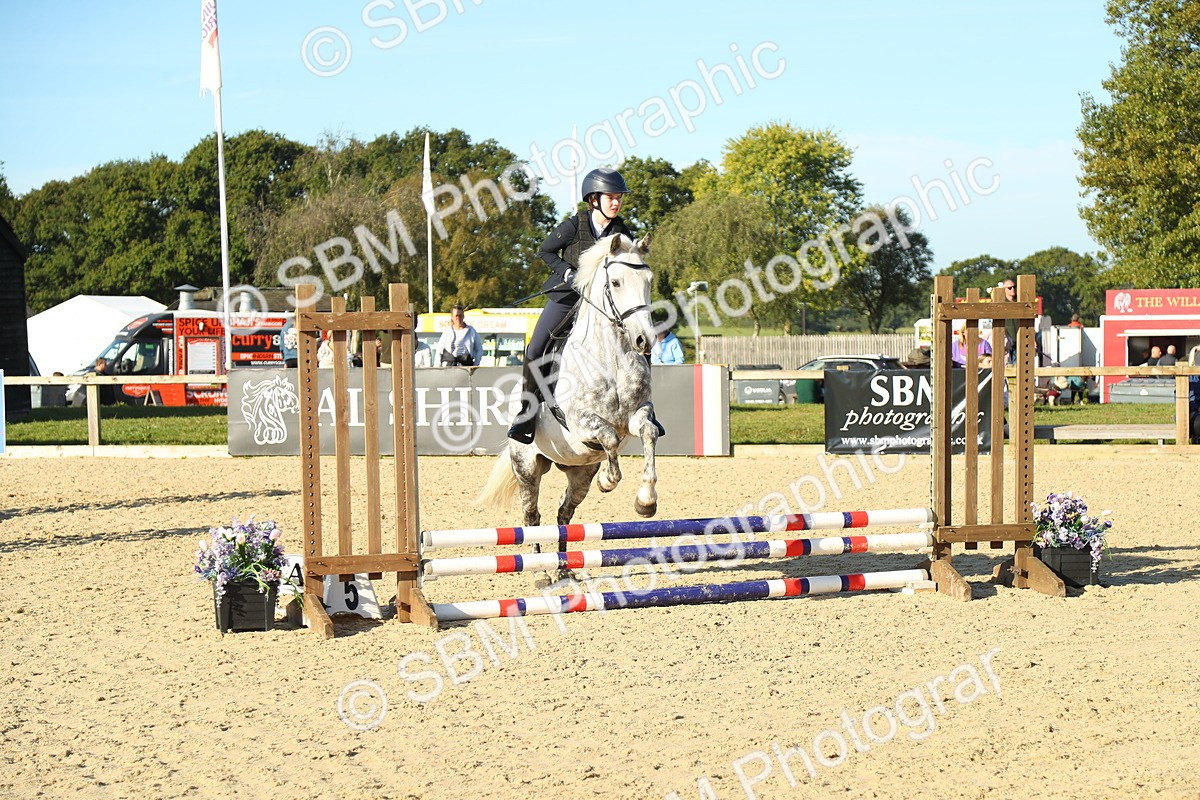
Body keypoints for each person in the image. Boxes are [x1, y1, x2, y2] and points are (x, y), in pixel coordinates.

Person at [507, 166, 634, 443]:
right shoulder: (575, 225)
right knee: (536, 348)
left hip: (603, 304)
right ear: (593, 200)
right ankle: (527, 413)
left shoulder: (621, 231)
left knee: (638, 338)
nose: (616, 203)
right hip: (568, 297)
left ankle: (643, 406)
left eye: (619, 198)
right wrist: (566, 272)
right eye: (611, 197)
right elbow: (545, 251)